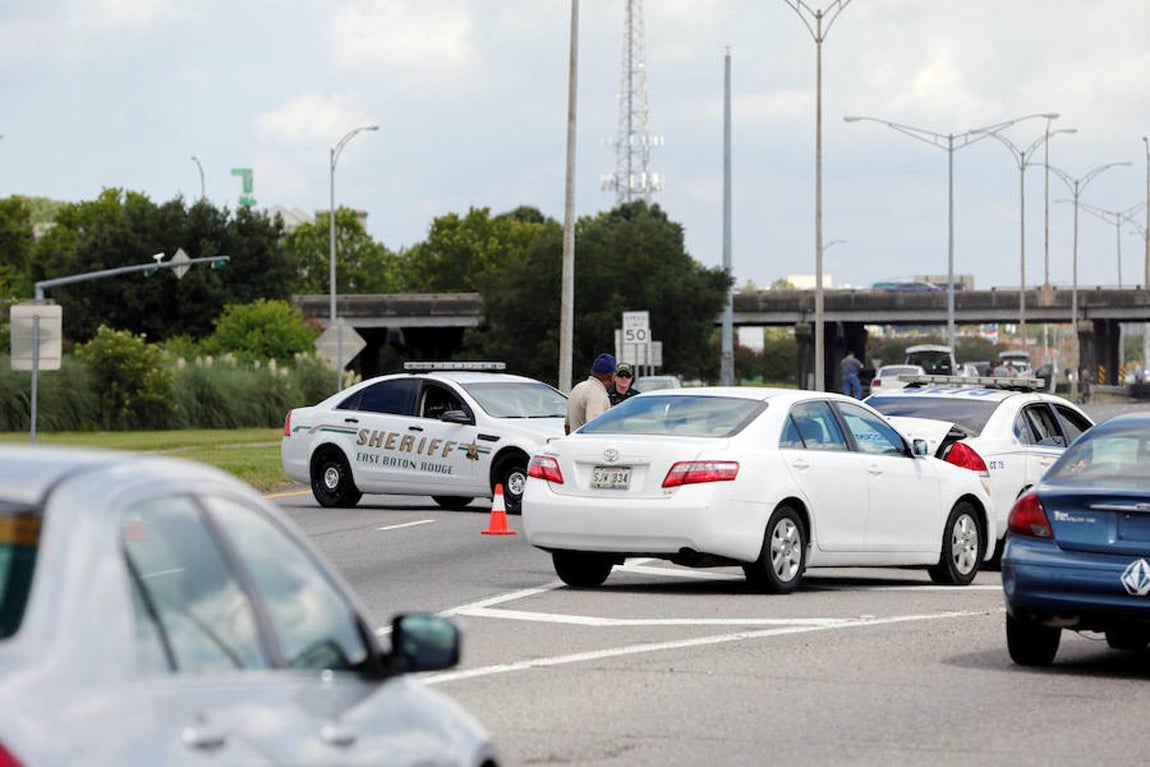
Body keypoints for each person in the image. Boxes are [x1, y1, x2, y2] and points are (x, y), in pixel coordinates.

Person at [565, 353, 616, 434]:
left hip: (574, 443)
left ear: (592, 372)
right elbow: (594, 429)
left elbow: (567, 426)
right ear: (611, 376)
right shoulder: (597, 394)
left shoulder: (578, 387)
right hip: (587, 445)